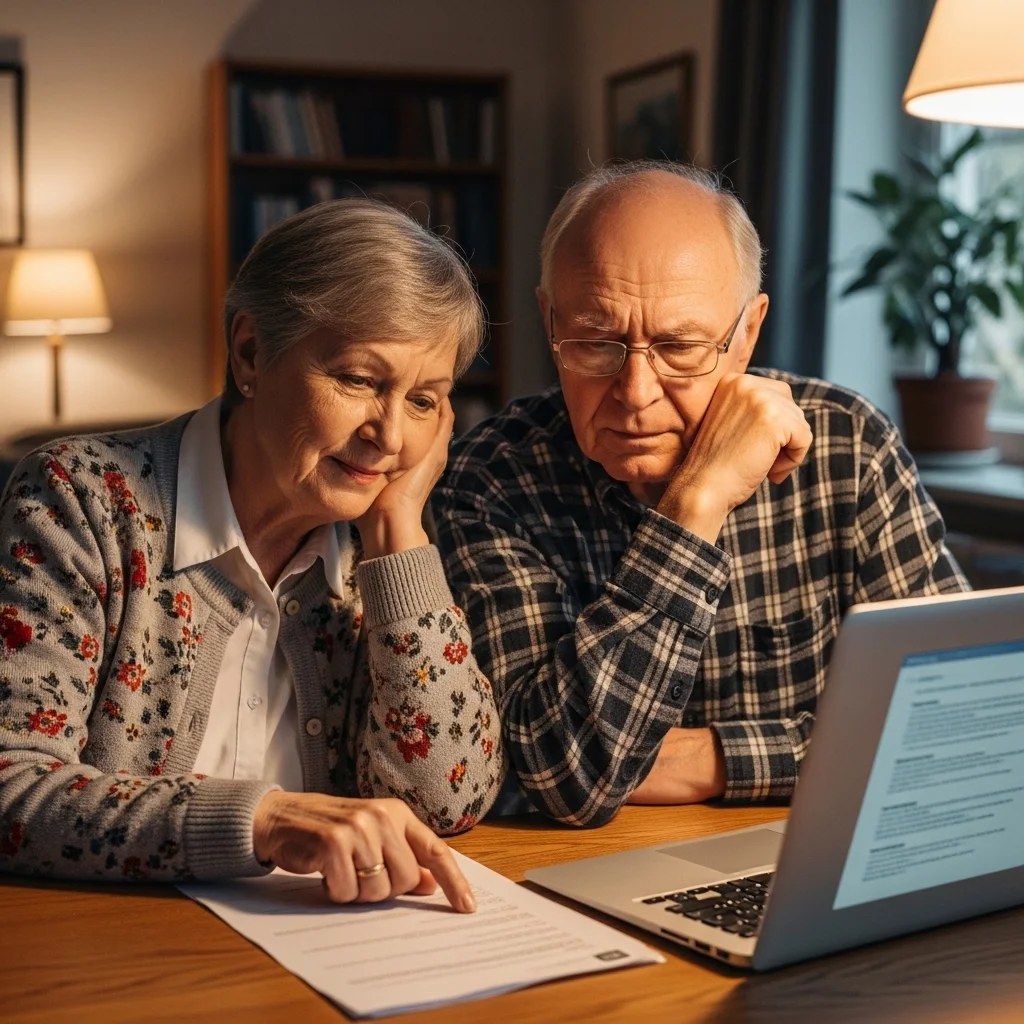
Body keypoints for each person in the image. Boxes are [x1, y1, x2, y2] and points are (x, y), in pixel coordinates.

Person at [0, 199, 502, 910]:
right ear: (250, 353)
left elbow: (448, 802)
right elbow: (11, 783)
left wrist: (396, 534)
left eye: (425, 400)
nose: (389, 436)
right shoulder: (83, 500)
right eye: (360, 380)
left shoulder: (388, 548)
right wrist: (261, 820)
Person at [433, 161, 967, 828]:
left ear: (746, 334)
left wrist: (710, 759)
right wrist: (697, 503)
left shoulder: (846, 446)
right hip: (567, 881)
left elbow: (954, 719)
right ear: (550, 321)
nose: (635, 392)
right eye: (597, 342)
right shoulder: (491, 477)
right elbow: (558, 775)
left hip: (811, 856)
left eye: (680, 346)